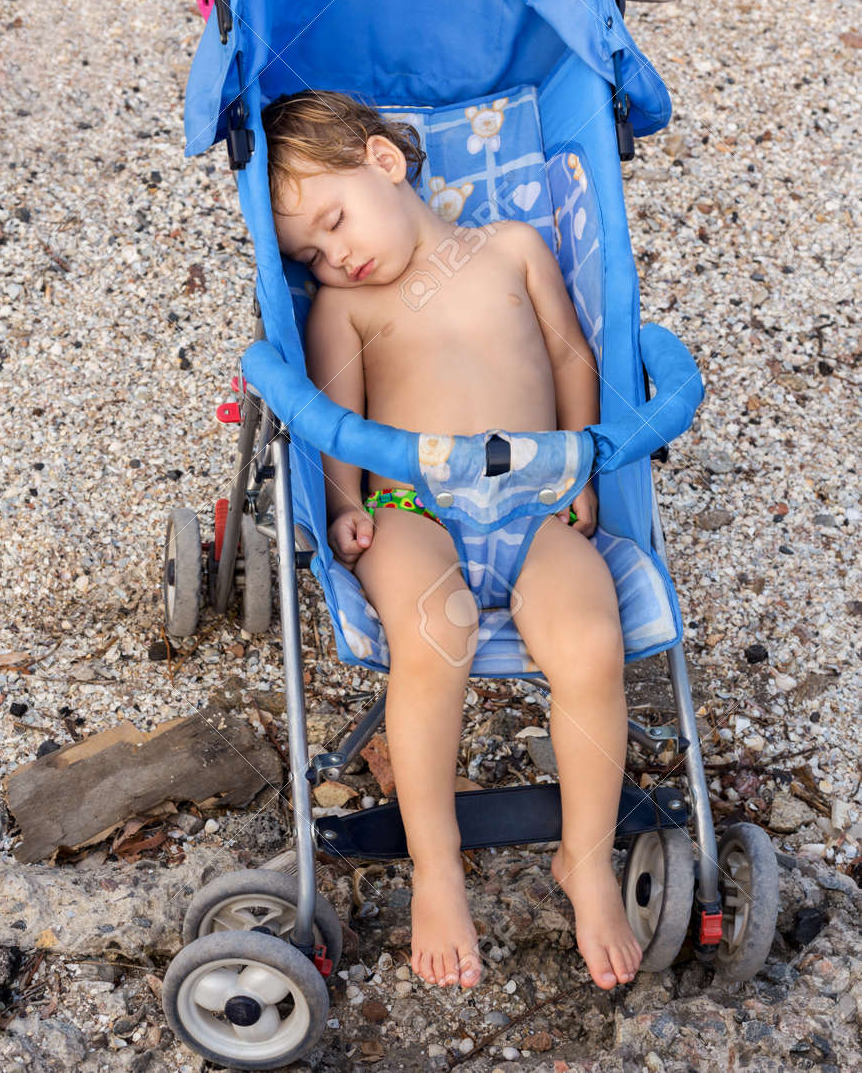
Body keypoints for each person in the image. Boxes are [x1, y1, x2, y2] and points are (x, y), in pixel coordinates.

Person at [262, 89, 643, 993]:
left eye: (336, 221)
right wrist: (345, 501)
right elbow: (330, 413)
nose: (337, 256)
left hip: (535, 502)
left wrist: (583, 470)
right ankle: (438, 868)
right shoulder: (341, 312)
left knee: (591, 644)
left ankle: (583, 859)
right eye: (310, 253)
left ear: (386, 164)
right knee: (436, 638)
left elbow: (567, 355)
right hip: (414, 511)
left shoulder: (512, 249)